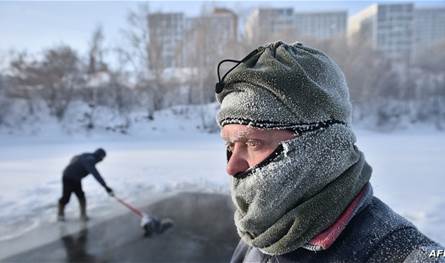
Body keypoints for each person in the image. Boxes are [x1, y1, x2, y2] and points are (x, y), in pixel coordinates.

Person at [215, 41, 444, 262]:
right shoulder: (262, 232)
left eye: (254, 143)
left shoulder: (407, 255)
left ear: (322, 146)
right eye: (230, 146)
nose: (231, 167)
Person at [57, 148, 114, 221]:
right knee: (66, 197)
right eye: (103, 157)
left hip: (75, 178)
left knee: (81, 196)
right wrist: (105, 186)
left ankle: (83, 215)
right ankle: (60, 215)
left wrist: (73, 166)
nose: (102, 159)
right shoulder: (90, 160)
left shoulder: (88, 155)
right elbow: (95, 174)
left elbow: (75, 157)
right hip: (68, 178)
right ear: (100, 156)